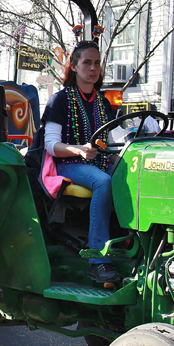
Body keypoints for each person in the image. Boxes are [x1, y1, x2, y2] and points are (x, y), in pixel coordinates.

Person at [41, 40, 119, 286]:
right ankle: (98, 261)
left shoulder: (103, 103)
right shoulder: (60, 100)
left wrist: (116, 154)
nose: (93, 68)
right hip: (68, 164)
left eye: (97, 63)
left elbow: (111, 141)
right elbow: (51, 145)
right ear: (74, 66)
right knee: (103, 182)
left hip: (99, 162)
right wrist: (80, 150)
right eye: (87, 62)